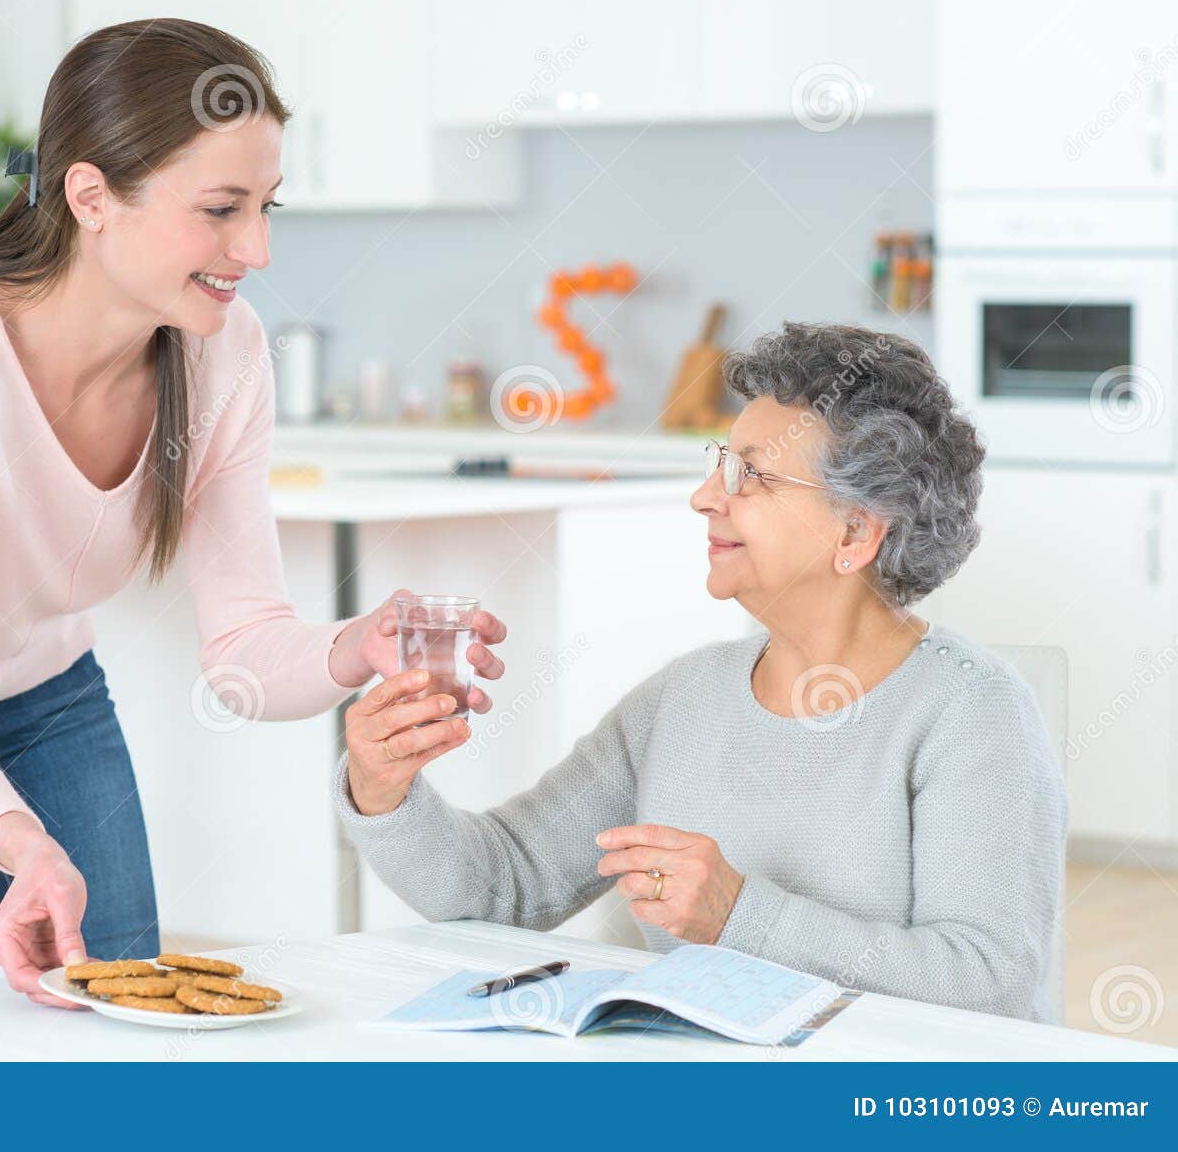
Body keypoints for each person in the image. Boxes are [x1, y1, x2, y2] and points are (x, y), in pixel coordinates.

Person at [0, 19, 505, 1007]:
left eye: (266, 207)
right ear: (90, 197)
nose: (256, 249)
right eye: (222, 208)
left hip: (41, 687)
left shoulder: (222, 351)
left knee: (126, 1005)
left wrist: (362, 644)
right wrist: (24, 844)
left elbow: (245, 657)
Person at [337, 322, 1067, 1022]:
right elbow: (503, 889)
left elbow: (986, 984)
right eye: (720, 464)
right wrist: (382, 790)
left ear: (855, 532)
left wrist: (739, 913)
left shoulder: (973, 712)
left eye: (751, 476)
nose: (705, 498)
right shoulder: (681, 700)